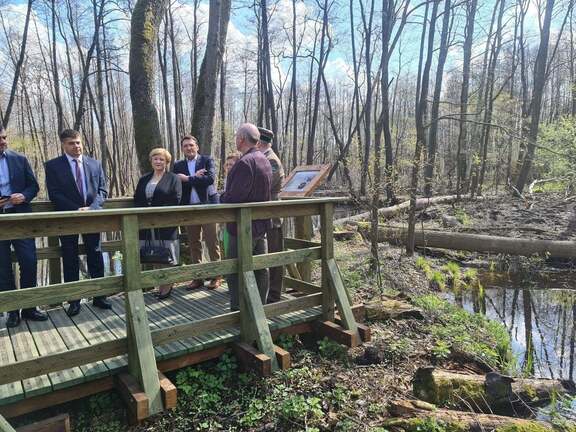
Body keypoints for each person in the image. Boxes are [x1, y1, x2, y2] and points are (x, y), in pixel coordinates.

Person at [45, 129, 111, 317]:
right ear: (63, 145)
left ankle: (100, 296)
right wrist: (76, 209)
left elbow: (102, 190)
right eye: (72, 143)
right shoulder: (53, 166)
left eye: (78, 142)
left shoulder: (94, 164)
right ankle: (74, 300)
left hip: (92, 217)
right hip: (68, 219)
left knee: (96, 254)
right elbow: (54, 193)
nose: (77, 146)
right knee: (70, 257)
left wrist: (92, 208)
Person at [220, 123, 272, 311]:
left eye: (236, 136)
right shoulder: (264, 159)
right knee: (261, 268)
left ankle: (238, 309)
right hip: (261, 225)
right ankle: (260, 307)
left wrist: (221, 197)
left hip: (242, 227)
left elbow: (234, 197)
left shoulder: (244, 162)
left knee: (235, 269)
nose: (235, 139)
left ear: (241, 139)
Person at [0, 126, 47, 328]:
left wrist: (24, 196)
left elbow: (34, 186)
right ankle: (12, 311)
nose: (3, 141)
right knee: (2, 269)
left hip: (20, 218)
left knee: (29, 261)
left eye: (4, 137)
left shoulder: (19, 159)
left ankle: (29, 307)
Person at [173, 135, 222, 290]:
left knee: (212, 242)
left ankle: (217, 276)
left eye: (191, 145)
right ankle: (198, 277)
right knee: (194, 244)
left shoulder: (207, 160)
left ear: (197, 146)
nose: (189, 148)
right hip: (190, 209)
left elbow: (210, 180)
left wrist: (187, 179)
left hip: (208, 207)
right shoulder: (178, 165)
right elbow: (177, 185)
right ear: (182, 149)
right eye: (186, 146)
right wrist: (194, 177)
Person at [134, 148, 182, 299]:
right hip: (147, 224)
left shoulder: (173, 178)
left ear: (167, 162)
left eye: (161, 159)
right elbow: (137, 199)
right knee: (153, 255)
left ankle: (167, 287)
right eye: (155, 159)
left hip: (165, 223)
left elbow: (176, 199)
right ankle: (159, 285)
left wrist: (158, 212)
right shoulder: (144, 179)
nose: (158, 162)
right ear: (151, 161)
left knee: (166, 255)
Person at [256, 127, 285, 303]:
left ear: (260, 142)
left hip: (272, 216)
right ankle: (264, 294)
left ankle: (274, 296)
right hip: (262, 216)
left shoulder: (271, 160)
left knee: (275, 255)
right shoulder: (263, 158)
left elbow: (264, 187)